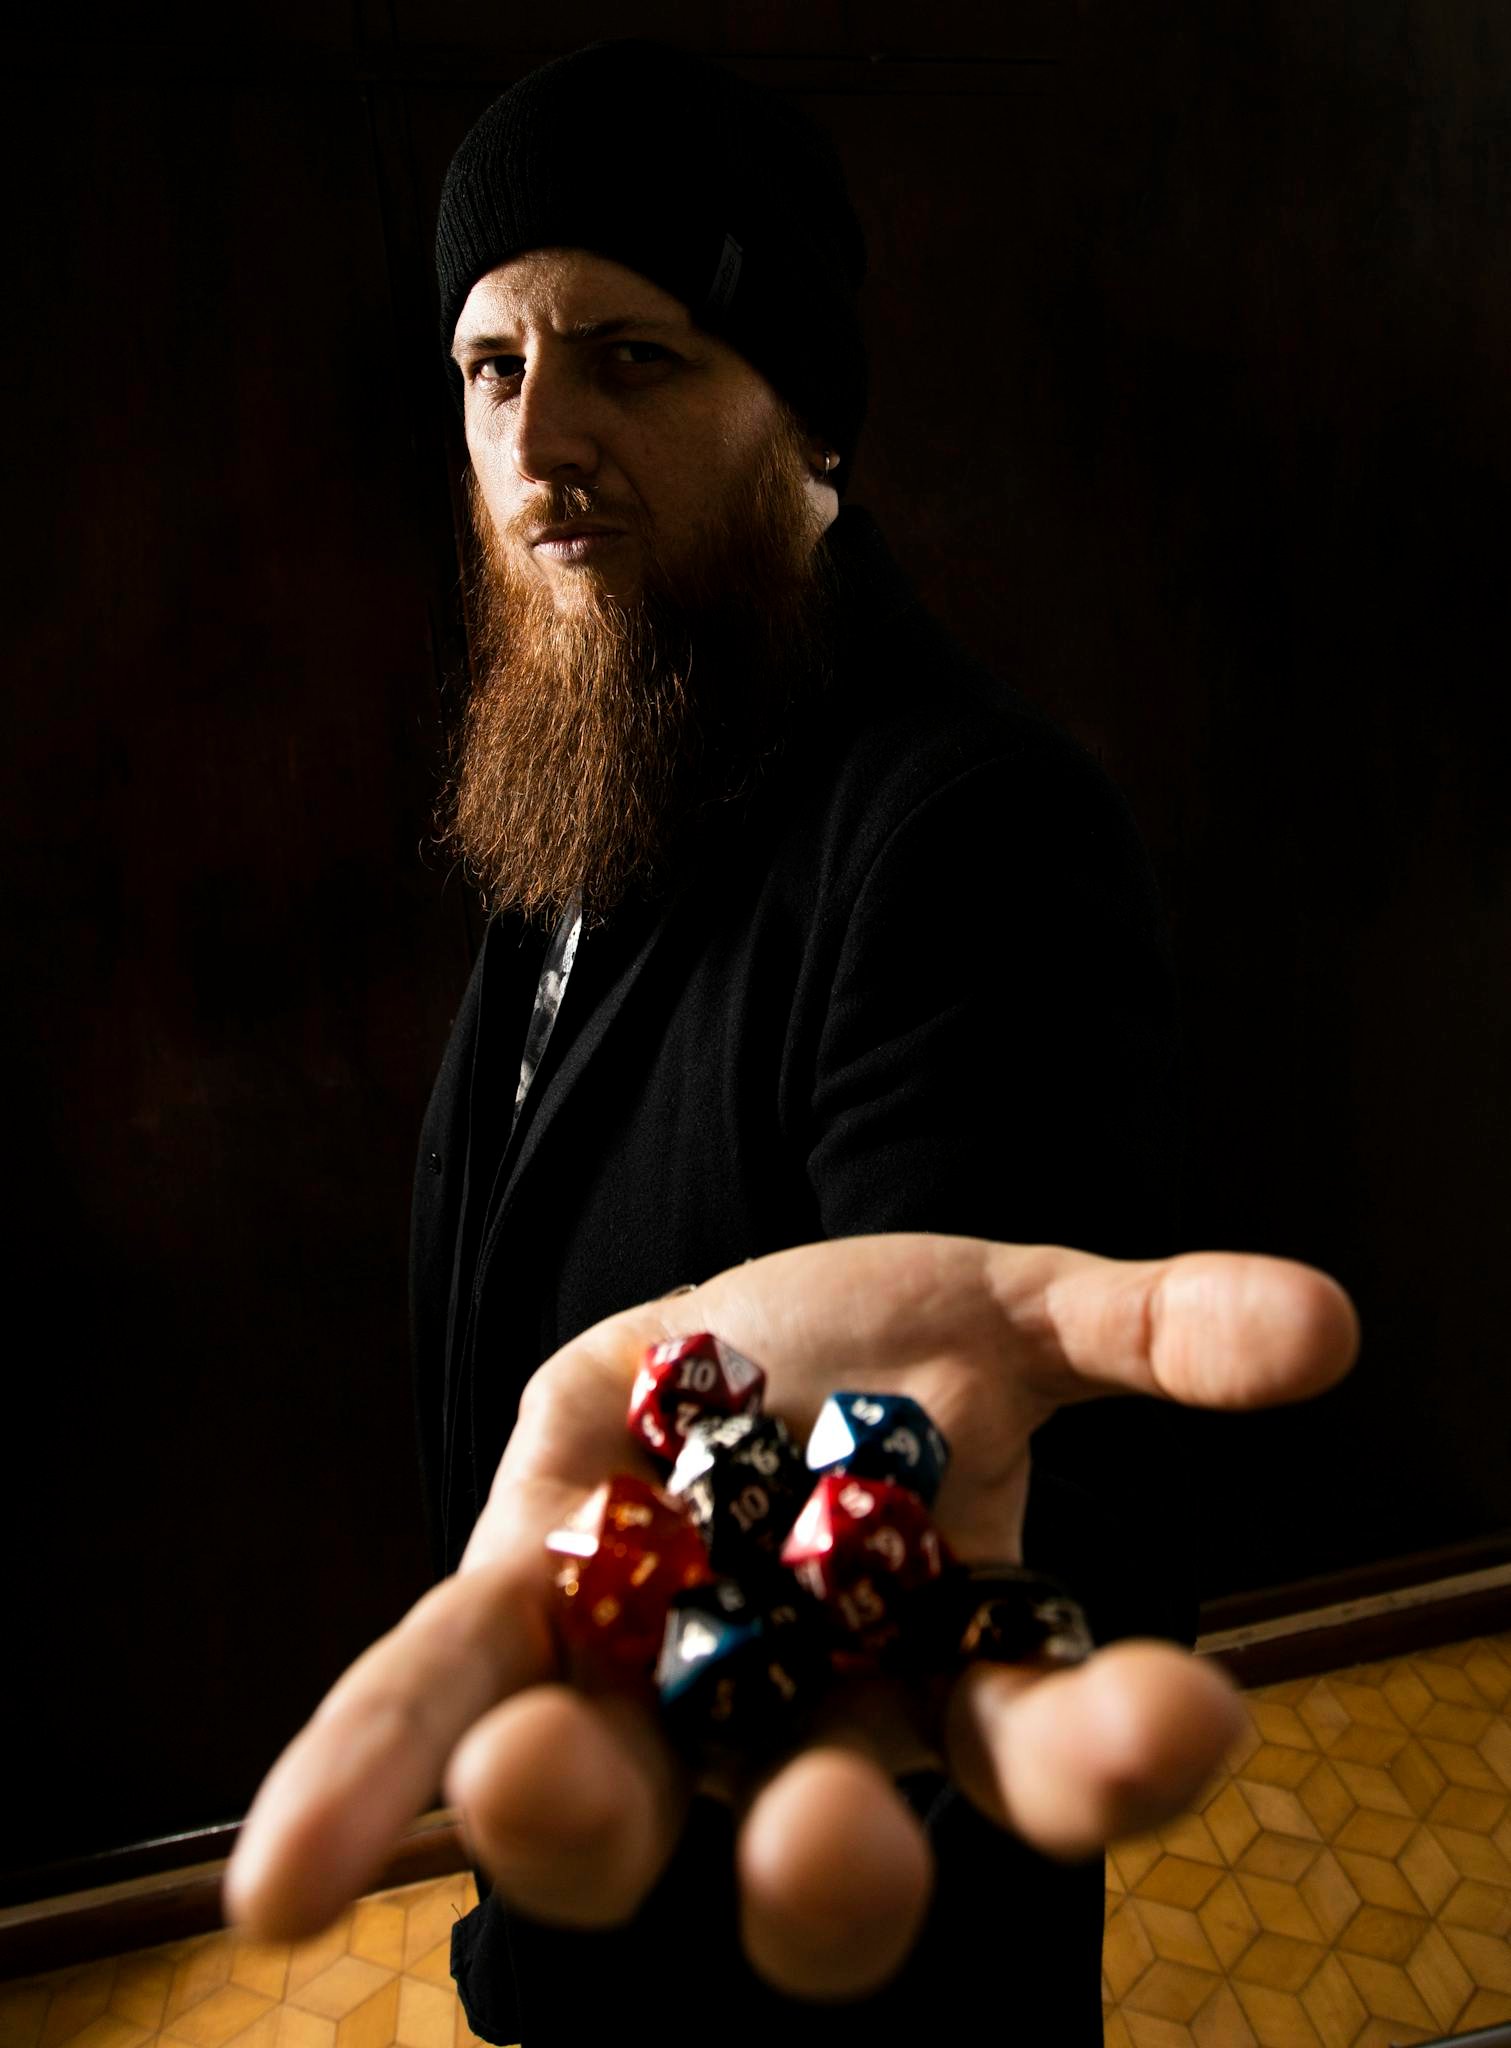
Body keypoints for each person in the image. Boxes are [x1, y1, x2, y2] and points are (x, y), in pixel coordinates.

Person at [223, 39, 1361, 2045]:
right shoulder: (603, 729)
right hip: (589, 1922)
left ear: (803, 411)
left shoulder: (969, 834)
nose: (537, 443)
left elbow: (1046, 1496)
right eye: (492, 367)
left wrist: (883, 1614)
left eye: (631, 359)